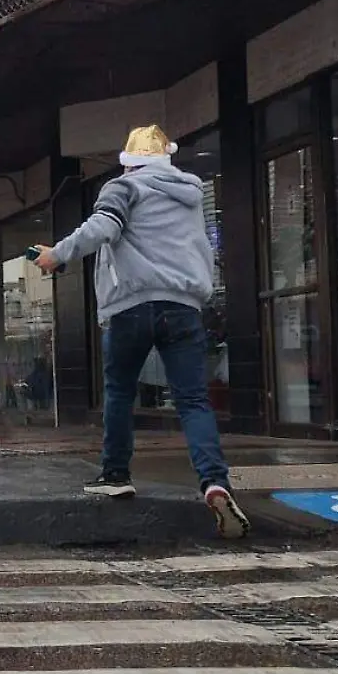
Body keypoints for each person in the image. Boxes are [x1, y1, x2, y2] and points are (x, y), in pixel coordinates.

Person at [33, 125, 248, 538]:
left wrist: (55, 255)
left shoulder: (122, 188)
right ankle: (215, 481)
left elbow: (103, 230)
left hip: (131, 306)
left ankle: (115, 473)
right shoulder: (190, 194)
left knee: (119, 391)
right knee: (193, 400)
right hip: (183, 307)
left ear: (128, 161)